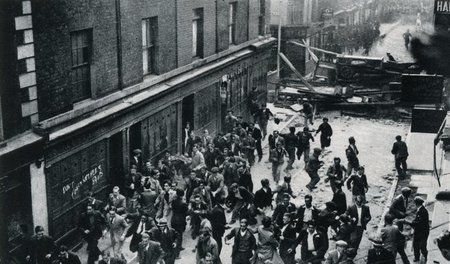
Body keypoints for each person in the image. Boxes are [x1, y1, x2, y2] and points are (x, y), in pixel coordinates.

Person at [404, 196, 429, 262]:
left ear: (416, 203)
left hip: (423, 232)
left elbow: (419, 223)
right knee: (415, 245)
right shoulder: (420, 210)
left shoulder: (423, 211)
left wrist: (410, 222)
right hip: (418, 231)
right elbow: (417, 220)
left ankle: (424, 258)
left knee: (422, 246)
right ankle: (417, 257)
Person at [170, 189, 188, 258]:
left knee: (174, 235)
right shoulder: (184, 204)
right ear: (183, 195)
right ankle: (177, 253)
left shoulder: (173, 201)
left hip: (173, 219)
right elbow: (186, 213)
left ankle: (178, 247)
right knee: (179, 236)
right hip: (180, 221)